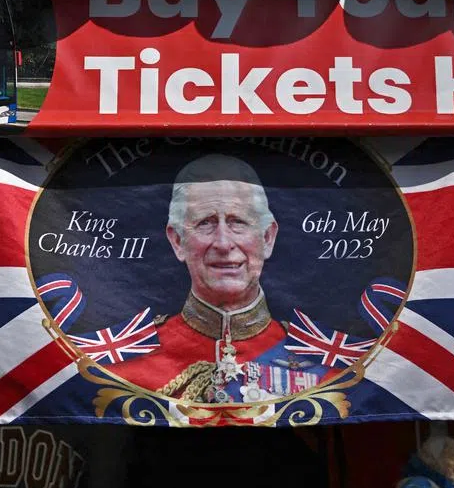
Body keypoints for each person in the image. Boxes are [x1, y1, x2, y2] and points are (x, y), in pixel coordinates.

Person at [109, 154, 332, 403]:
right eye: (205, 223)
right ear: (178, 241)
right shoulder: (119, 367)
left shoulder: (327, 365)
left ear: (267, 238)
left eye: (238, 222)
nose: (224, 243)